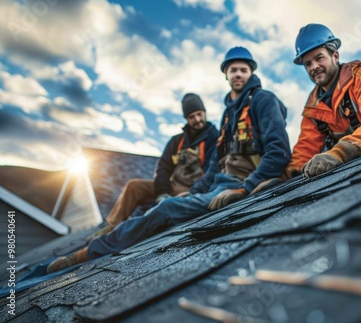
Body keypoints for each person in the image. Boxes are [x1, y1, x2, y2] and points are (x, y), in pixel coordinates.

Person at [47, 46, 291, 273]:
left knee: (165, 208)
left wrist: (244, 189)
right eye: (233, 70)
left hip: (240, 184)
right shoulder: (229, 115)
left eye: (243, 70)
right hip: (220, 184)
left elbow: (278, 152)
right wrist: (193, 191)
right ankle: (105, 237)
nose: (238, 74)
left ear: (252, 72)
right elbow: (215, 166)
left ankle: (89, 253)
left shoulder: (263, 100)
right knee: (154, 201)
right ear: (226, 75)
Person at [88, 93, 219, 239]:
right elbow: (163, 167)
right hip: (171, 186)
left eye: (199, 114)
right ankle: (112, 229)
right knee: (134, 186)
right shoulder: (177, 141)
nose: (197, 120)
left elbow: (211, 172)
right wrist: (163, 192)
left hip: (194, 189)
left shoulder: (214, 138)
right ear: (186, 119)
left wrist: (193, 192)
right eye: (192, 117)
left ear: (205, 113)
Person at [286, 23, 361, 178]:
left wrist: (340, 152)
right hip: (350, 172)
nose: (314, 66)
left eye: (319, 58)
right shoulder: (313, 108)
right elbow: (305, 149)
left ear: (335, 56)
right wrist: (284, 178)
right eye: (308, 64)